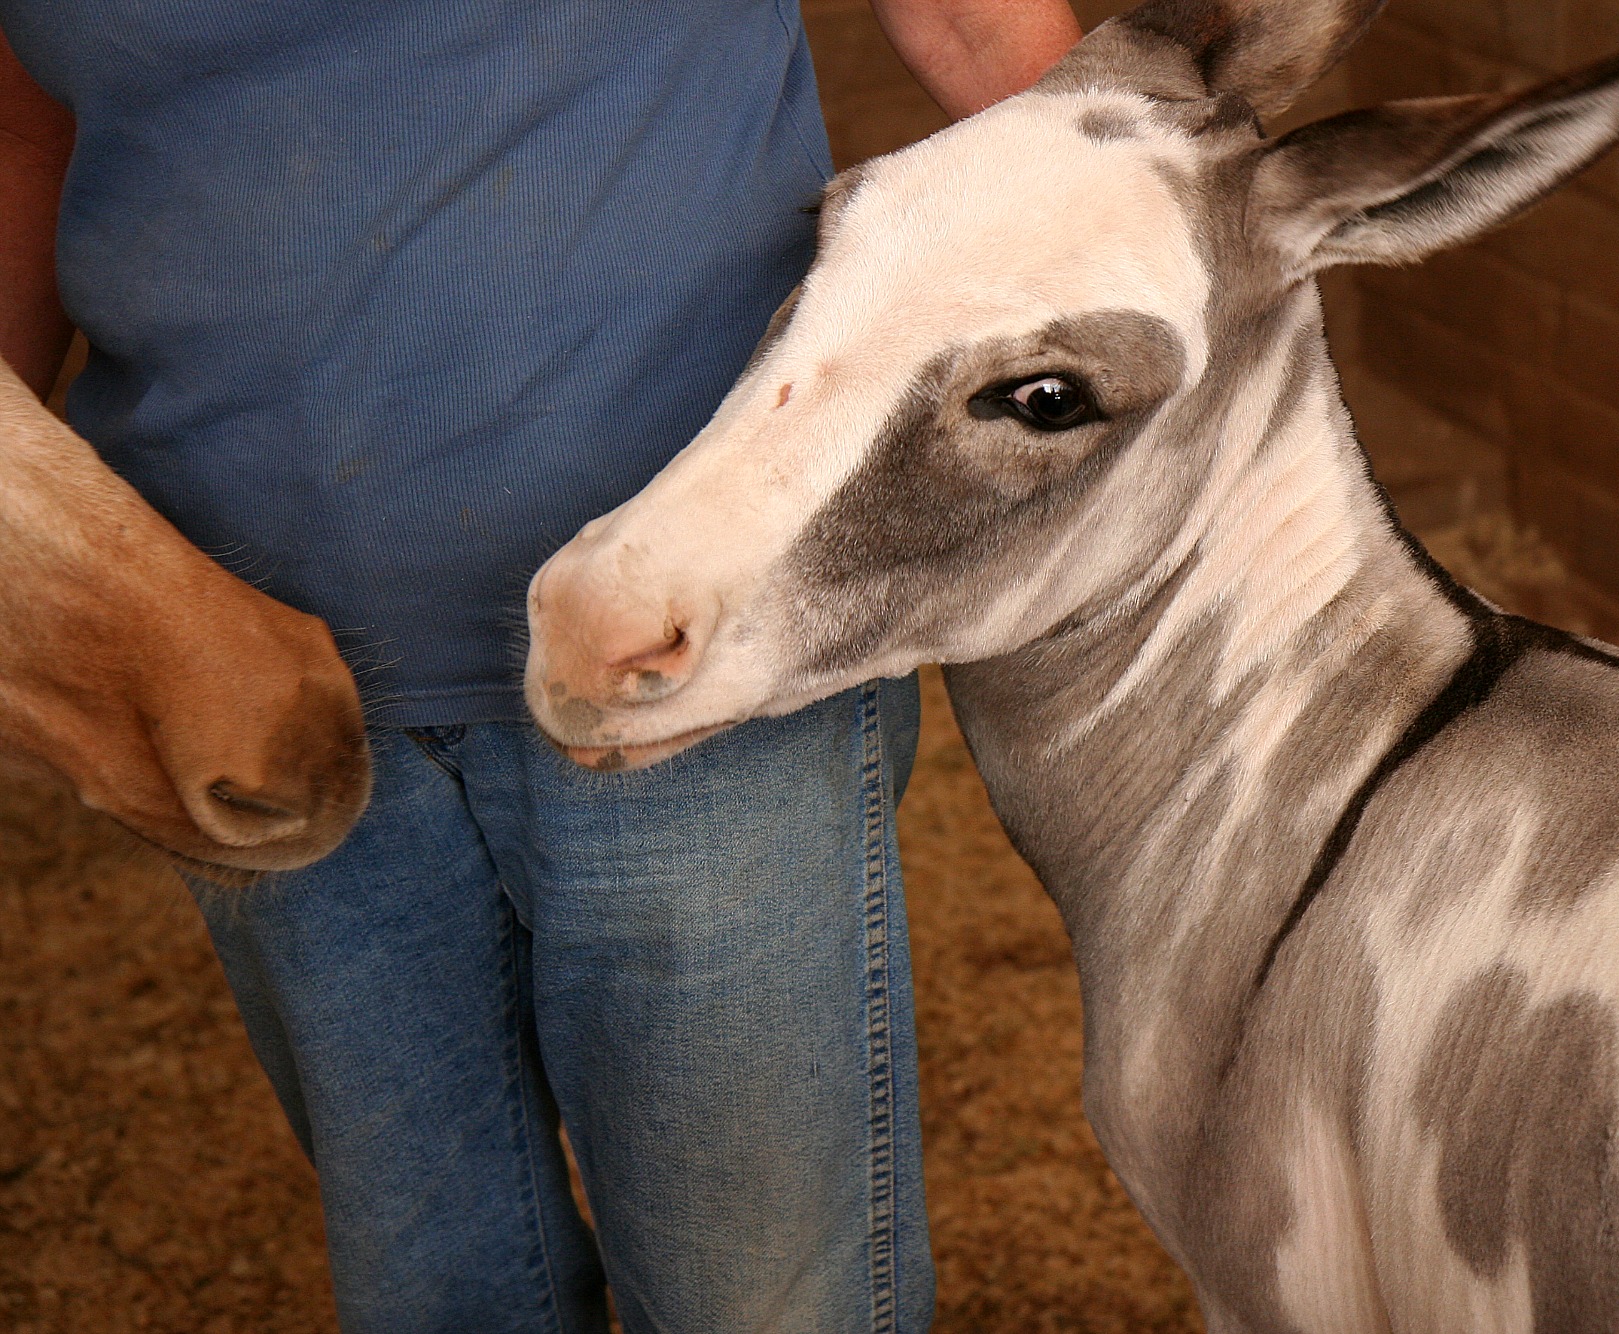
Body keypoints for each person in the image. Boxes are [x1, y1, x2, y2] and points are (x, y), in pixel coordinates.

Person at [0, 2, 1079, 1330]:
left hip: (690, 619)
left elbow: (973, 21)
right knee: (436, 1292)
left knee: (758, 1301)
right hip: (234, 635)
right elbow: (26, 127)